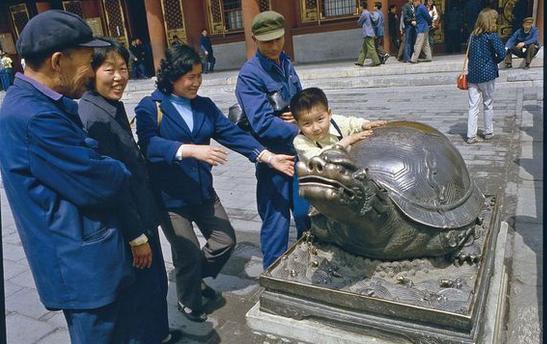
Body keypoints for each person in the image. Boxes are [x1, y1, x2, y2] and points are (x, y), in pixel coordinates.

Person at [0, 10, 137, 343]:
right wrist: (117, 165)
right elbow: (101, 180)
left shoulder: (38, 103)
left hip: (82, 254)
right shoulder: (34, 117)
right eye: (87, 62)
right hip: (81, 264)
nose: (91, 73)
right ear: (58, 61)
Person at [135, 43, 295, 322]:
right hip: (170, 197)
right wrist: (190, 149)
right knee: (186, 250)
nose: (196, 82)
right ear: (172, 76)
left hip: (201, 190)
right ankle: (188, 300)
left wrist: (268, 157)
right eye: (189, 77)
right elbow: (149, 145)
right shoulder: (152, 106)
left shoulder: (204, 106)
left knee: (224, 241)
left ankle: (194, 276)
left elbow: (233, 135)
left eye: (199, 75)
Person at [78, 38, 181, 344]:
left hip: (142, 209)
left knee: (155, 285)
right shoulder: (94, 117)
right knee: (143, 291)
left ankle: (159, 334)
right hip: (132, 222)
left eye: (123, 68)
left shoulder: (109, 105)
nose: (119, 76)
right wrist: (137, 236)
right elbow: (113, 184)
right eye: (109, 69)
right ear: (91, 72)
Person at [235, 10, 311, 269]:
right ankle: (273, 275)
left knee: (306, 213)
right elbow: (262, 123)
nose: (274, 46)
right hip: (273, 158)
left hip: (299, 154)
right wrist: (301, 129)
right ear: (254, 38)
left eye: (278, 39)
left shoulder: (286, 63)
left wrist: (302, 116)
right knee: (276, 221)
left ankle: (310, 266)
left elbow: (300, 101)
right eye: (267, 41)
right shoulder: (250, 75)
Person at [291, 87, 386, 162]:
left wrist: (364, 124)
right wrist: (347, 140)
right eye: (307, 124)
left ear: (329, 113)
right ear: (298, 124)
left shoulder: (335, 122)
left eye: (320, 119)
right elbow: (321, 156)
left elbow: (351, 123)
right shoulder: (300, 141)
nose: (315, 128)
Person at [465, 9, 506, 144]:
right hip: (487, 74)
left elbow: (470, 54)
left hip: (473, 74)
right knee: (488, 103)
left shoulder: (472, 36)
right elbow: (501, 53)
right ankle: (488, 131)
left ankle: (471, 135)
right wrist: (494, 61)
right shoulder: (491, 36)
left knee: (473, 106)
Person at [355, 0, 381, 67]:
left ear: (361, 7)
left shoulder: (364, 13)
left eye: (360, 7)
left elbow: (359, 22)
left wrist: (358, 18)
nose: (359, 8)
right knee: (364, 48)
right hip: (370, 32)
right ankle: (360, 62)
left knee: (371, 48)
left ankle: (377, 61)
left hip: (367, 33)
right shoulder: (368, 13)